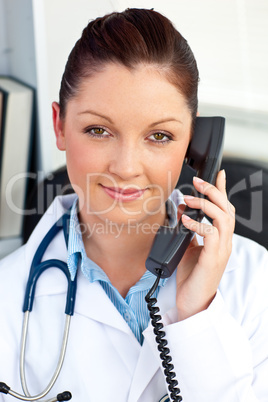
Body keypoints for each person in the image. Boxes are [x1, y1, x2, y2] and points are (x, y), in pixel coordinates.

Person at [0, 8, 267, 402]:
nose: (125, 167)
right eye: (98, 130)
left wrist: (197, 314)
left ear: (196, 145)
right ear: (59, 126)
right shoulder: (6, 295)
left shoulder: (252, 280)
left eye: (159, 136)